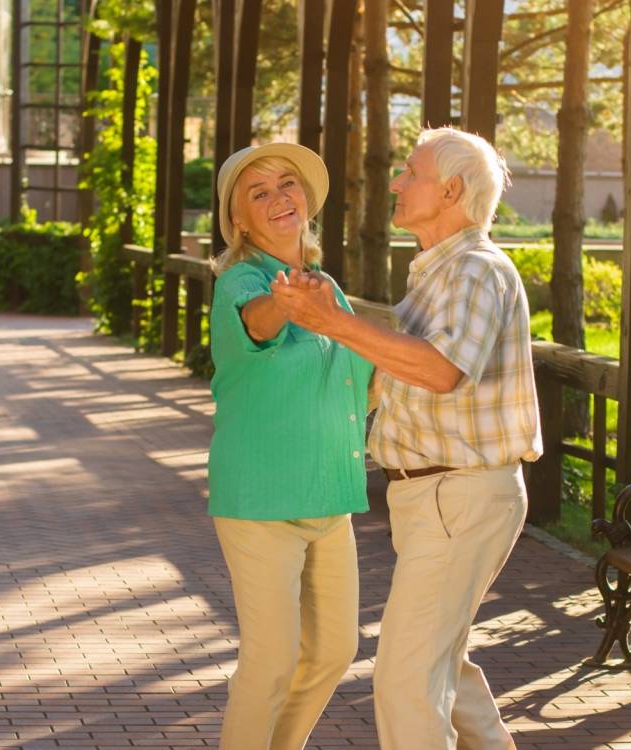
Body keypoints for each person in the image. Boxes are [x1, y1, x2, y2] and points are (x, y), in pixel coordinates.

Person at [272, 127, 541, 750]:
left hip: (459, 496)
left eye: (410, 173)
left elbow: (440, 369)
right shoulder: (440, 273)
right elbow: (401, 370)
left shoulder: (473, 270)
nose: (395, 182)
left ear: (450, 189)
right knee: (443, 667)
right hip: (441, 498)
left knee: (404, 680)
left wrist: (334, 323)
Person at [205, 142, 373, 750]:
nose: (279, 197)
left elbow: (359, 375)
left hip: (330, 494)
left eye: (287, 184)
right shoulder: (241, 283)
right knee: (272, 659)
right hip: (260, 500)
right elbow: (256, 323)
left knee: (335, 649)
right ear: (239, 220)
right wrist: (286, 297)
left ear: (307, 199)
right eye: (259, 192)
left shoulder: (324, 285)